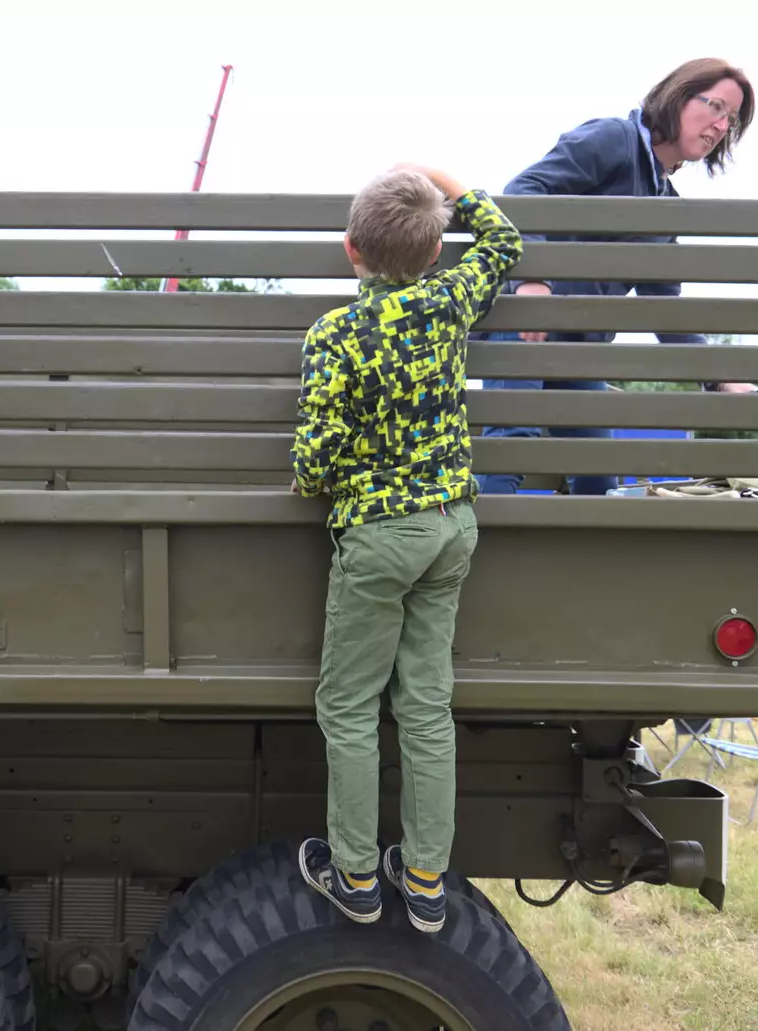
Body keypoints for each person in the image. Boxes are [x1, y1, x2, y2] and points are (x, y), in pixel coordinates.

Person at [292, 164, 522, 932]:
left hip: (381, 535)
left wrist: (318, 477)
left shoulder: (337, 336)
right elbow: (503, 243)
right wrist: (454, 189)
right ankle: (424, 878)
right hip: (453, 527)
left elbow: (312, 464)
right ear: (432, 255)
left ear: (350, 249)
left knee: (349, 703)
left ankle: (355, 875)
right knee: (425, 704)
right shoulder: (450, 299)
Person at [475, 57, 758, 497]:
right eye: (717, 107)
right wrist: (535, 281)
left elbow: (665, 310)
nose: (722, 126)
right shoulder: (613, 138)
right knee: (513, 446)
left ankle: (579, 567)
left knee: (598, 477)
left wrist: (721, 376)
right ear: (680, 97)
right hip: (526, 328)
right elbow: (525, 190)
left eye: (732, 119)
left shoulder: (665, 201)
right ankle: (483, 563)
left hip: (580, 353)